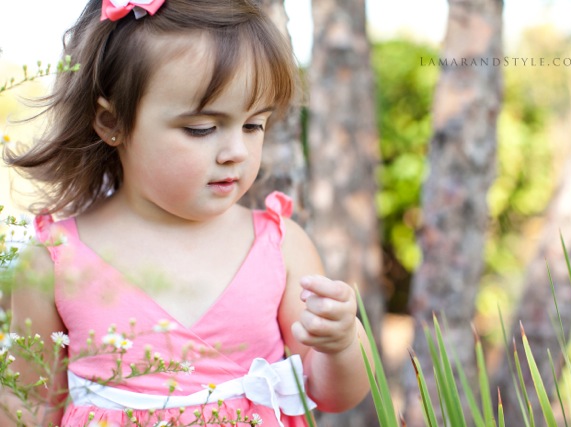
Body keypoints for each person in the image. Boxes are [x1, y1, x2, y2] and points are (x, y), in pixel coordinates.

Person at [2, 0, 372, 425]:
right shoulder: (55, 261)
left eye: (254, 125)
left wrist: (341, 345)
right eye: (202, 128)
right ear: (111, 123)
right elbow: (26, 407)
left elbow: (332, 395)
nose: (236, 152)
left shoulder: (280, 246)